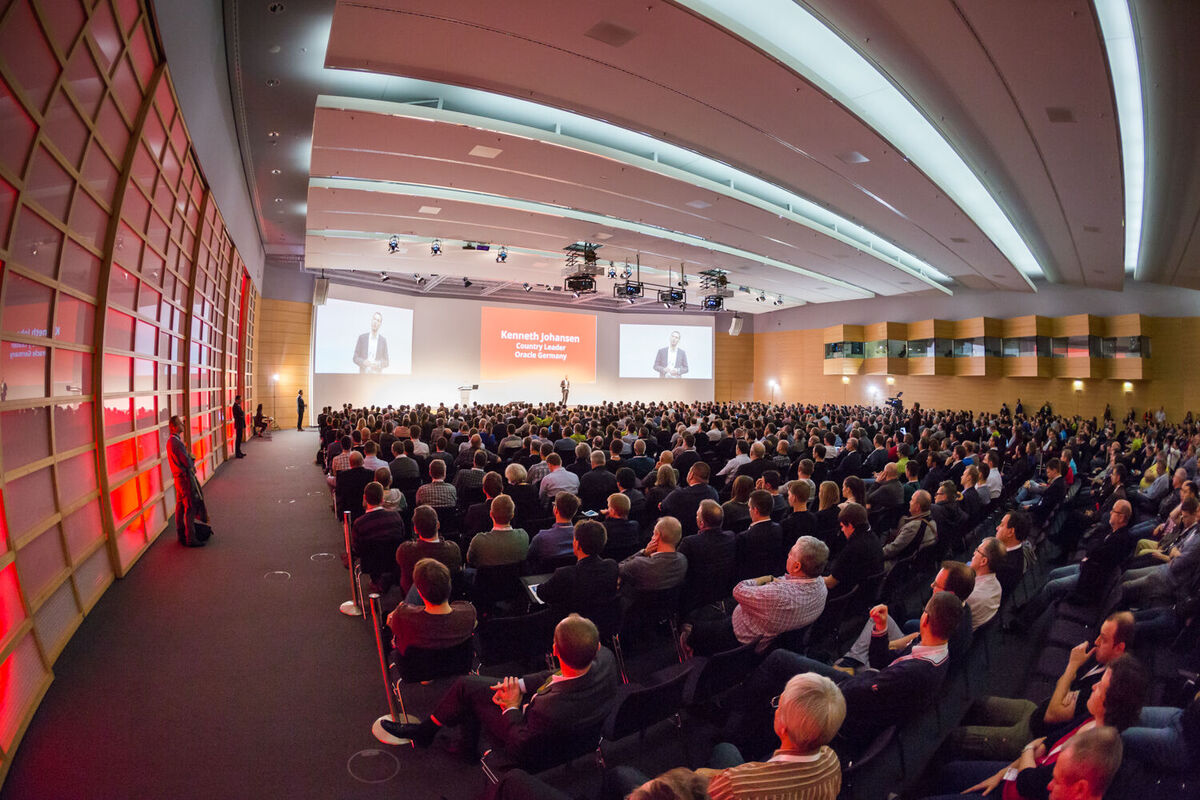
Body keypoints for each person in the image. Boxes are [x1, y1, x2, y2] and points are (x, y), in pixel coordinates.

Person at [380, 614, 618, 765]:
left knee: (470, 695)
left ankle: (448, 742)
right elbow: (559, 673)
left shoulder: (548, 709)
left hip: (530, 739)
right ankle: (430, 732)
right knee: (467, 684)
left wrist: (511, 707)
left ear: (554, 650)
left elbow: (520, 742)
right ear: (596, 647)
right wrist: (519, 685)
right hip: (577, 728)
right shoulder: (606, 659)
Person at [703, 673, 845, 800]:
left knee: (725, 750)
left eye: (778, 704)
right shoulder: (831, 760)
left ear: (783, 728)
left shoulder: (735, 786)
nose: (775, 710)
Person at [682, 535, 829, 656]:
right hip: (774, 635)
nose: (788, 555)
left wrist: (764, 578)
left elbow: (738, 590)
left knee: (691, 629)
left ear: (797, 566)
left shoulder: (778, 594)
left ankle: (689, 644)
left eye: (791, 553)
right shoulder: (822, 586)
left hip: (741, 635)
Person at [386, 558, 475, 656]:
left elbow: (397, 637)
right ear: (450, 586)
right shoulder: (469, 614)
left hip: (418, 664)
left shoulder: (403, 616)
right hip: (457, 663)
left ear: (419, 593)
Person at [167, 415, 210, 547]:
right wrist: (192, 458)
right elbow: (187, 463)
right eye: (180, 424)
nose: (183, 425)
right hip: (185, 479)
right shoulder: (177, 443)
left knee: (180, 507)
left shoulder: (170, 442)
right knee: (190, 508)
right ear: (174, 427)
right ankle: (191, 538)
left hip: (178, 479)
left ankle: (181, 534)